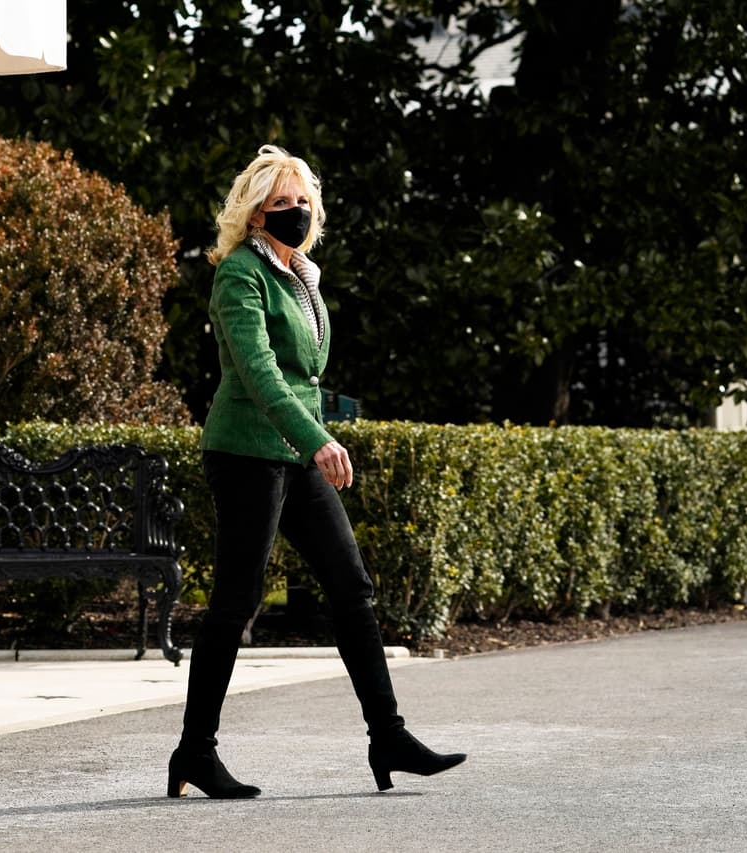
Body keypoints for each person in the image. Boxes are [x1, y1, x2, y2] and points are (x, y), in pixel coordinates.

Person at [168, 145, 467, 799]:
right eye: (281, 203)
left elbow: (306, 372)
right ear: (253, 215)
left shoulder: (303, 273)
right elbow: (261, 373)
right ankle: (195, 750)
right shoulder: (239, 275)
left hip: (292, 449)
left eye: (303, 202)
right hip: (248, 450)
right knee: (236, 601)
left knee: (351, 588)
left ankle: (387, 735)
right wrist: (319, 440)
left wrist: (308, 442)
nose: (295, 211)